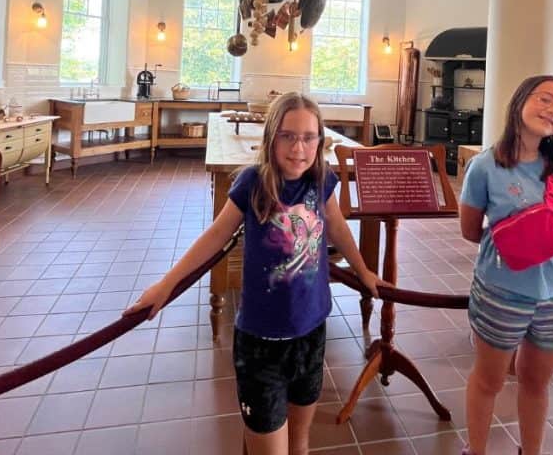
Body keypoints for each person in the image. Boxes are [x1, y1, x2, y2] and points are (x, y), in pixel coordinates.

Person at [126, 92, 381, 455]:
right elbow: (215, 236)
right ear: (271, 138)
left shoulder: (321, 180)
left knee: (300, 442)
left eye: (309, 137)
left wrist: (364, 271)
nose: (299, 148)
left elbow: (338, 228)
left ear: (320, 141)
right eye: (288, 136)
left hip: (311, 332)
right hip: (261, 343)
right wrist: (166, 286)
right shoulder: (252, 183)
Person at [458, 75, 553, 455]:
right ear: (520, 101)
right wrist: (517, 245)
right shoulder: (485, 167)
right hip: (501, 293)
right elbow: (469, 231)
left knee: (537, 383)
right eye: (546, 99)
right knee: (489, 380)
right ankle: (476, 450)